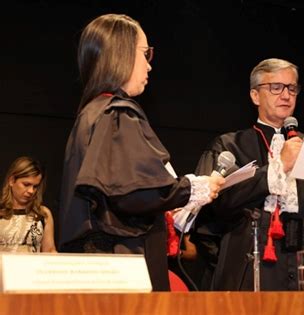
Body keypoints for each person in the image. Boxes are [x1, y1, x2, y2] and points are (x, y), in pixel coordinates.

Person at [58, 13, 224, 291]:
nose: (149, 65)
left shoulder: (91, 113)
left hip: (96, 266)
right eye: (145, 53)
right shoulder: (117, 113)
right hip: (121, 267)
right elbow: (135, 192)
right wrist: (195, 188)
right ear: (121, 53)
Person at [191, 58, 304, 292]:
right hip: (252, 263)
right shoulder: (230, 146)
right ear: (255, 95)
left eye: (292, 88)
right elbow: (215, 206)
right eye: (276, 87)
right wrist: (280, 164)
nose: (286, 95)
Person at [0, 156, 56, 253]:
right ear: (12, 180)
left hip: (33, 268)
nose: (31, 191)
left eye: (35, 186)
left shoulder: (43, 214)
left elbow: (49, 250)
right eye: (26, 184)